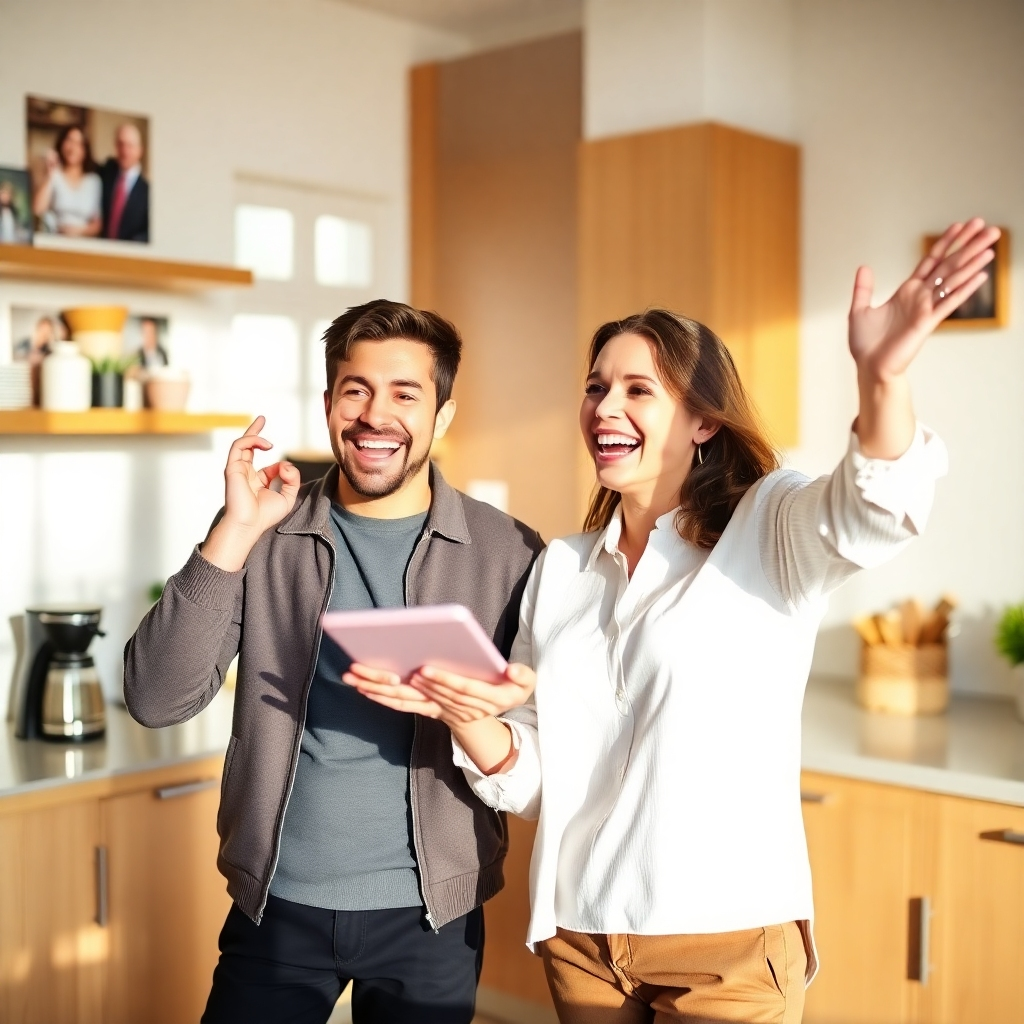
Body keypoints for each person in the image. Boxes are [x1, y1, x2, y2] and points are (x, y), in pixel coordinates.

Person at [348, 219, 999, 1023]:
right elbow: (539, 779)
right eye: (595, 386)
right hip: (584, 939)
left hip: (726, 941)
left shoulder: (769, 528)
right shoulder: (561, 569)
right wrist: (465, 713)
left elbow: (874, 512)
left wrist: (883, 377)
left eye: (636, 389)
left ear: (704, 421)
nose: (603, 407)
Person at [123, 299, 543, 1024]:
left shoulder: (510, 553)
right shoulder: (265, 533)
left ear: (443, 414)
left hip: (431, 916)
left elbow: (530, 746)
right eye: (356, 390)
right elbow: (157, 699)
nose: (375, 415)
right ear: (328, 405)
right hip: (279, 904)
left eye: (405, 394)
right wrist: (233, 532)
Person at [31, 125, 102, 237]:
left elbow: (97, 224)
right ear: (62, 144)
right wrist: (50, 173)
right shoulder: (55, 175)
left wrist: (78, 231)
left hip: (83, 242)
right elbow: (38, 209)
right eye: (69, 141)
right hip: (55, 238)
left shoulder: (93, 181)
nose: (73, 148)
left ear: (85, 150)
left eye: (79, 144)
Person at [100, 123, 149, 242]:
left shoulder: (148, 191)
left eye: (130, 146)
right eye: (121, 144)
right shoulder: (105, 175)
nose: (124, 151)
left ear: (140, 150)